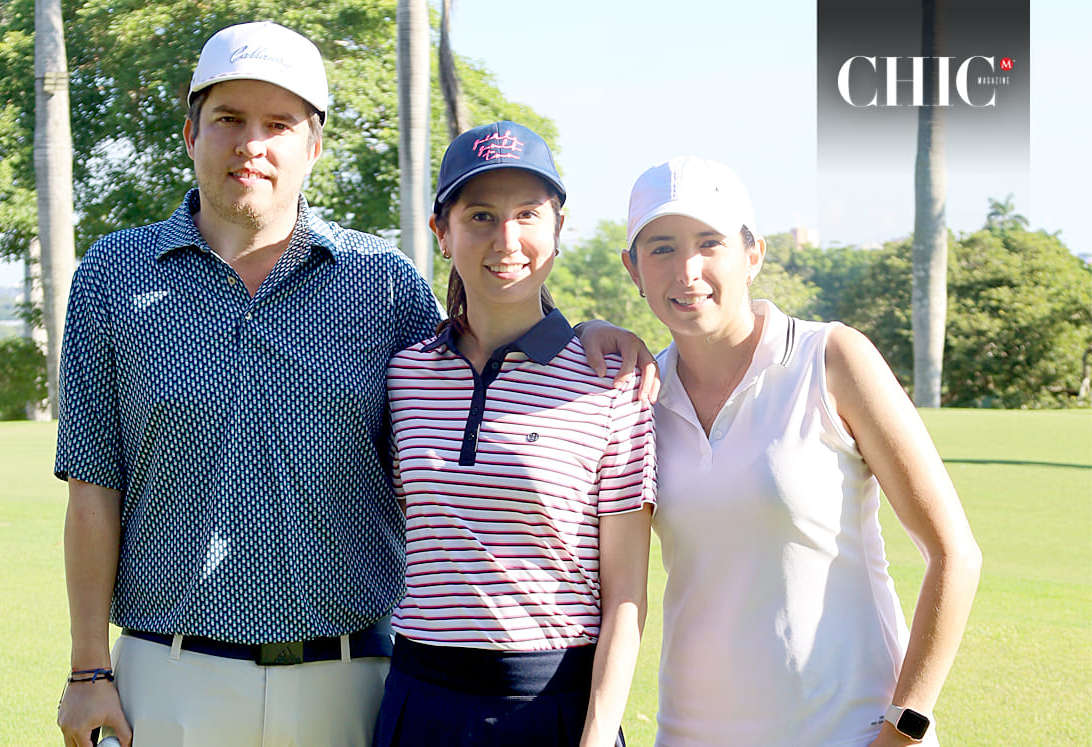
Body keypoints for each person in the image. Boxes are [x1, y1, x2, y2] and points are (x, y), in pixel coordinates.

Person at [54, 22, 653, 747]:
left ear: (313, 147)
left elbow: (483, 343)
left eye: (279, 125)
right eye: (229, 120)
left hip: (348, 681)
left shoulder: (384, 285)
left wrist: (578, 333)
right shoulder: (111, 277)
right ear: (190, 132)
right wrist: (90, 669)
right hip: (170, 672)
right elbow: (92, 487)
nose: (252, 144)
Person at [620, 157, 982, 747]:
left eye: (710, 243)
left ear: (753, 254)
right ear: (633, 269)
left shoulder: (831, 358)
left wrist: (905, 727)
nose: (688, 270)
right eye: (661, 248)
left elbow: (954, 554)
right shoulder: (639, 398)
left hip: (851, 733)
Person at [372, 121, 656, 747]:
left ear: (559, 230)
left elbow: (627, 596)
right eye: (480, 216)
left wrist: (599, 732)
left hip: (554, 707)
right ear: (441, 234)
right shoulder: (405, 372)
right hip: (419, 700)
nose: (508, 239)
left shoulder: (613, 379)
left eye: (529, 214)